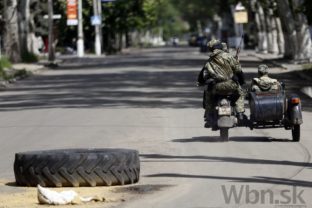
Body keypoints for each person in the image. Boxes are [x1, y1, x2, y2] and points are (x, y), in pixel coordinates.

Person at [197, 39, 246, 127]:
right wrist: (241, 81)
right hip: (231, 86)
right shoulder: (229, 56)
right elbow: (239, 71)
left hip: (216, 87)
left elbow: (202, 75)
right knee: (240, 93)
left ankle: (209, 115)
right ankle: (240, 113)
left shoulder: (209, 60)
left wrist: (200, 82)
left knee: (208, 94)